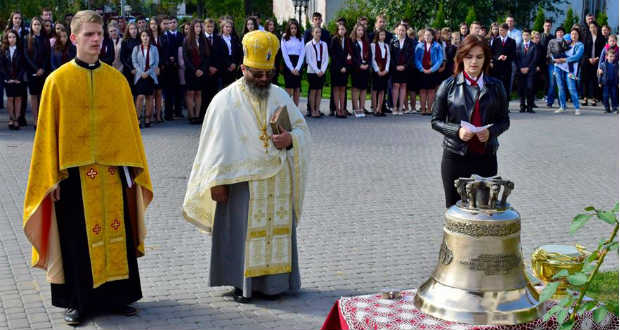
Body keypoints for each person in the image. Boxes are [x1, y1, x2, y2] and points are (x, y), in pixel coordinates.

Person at [22, 10, 153, 326]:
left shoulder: (116, 79)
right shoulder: (57, 81)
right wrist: (49, 178)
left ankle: (117, 297)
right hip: (74, 176)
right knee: (77, 240)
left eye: (100, 34)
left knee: (116, 236)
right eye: (90, 34)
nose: (96, 39)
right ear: (74, 38)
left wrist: (133, 169)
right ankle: (78, 302)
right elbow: (46, 135)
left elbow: (129, 130)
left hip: (112, 174)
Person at [183, 30, 310, 304]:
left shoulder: (279, 95)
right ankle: (242, 285)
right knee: (241, 234)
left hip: (276, 181)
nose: (264, 80)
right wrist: (216, 182)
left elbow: (302, 130)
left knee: (273, 234)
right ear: (243, 68)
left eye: (268, 74)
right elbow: (212, 147)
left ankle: (276, 284)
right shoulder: (224, 100)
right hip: (241, 183)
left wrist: (290, 139)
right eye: (257, 74)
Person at [431, 35, 510, 208]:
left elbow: (504, 120)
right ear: (461, 58)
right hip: (455, 157)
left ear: (486, 60)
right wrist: (457, 131)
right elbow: (435, 121)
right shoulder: (448, 85)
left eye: (479, 57)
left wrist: (491, 132)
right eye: (469, 56)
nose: (474, 61)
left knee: (485, 210)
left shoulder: (496, 86)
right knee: (454, 211)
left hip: (486, 157)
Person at [24, 16, 51, 129]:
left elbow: (47, 55)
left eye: (38, 24)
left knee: (42, 95)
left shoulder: (45, 39)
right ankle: (36, 120)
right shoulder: (27, 38)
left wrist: (42, 69)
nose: (36, 26)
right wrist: (36, 69)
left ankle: (42, 119)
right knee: (33, 96)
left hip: (43, 71)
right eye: (34, 24)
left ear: (41, 26)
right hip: (32, 71)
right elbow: (26, 56)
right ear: (31, 26)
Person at [182, 19, 209, 124]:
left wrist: (202, 70)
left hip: (201, 71)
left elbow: (207, 57)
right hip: (190, 71)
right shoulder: (187, 40)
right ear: (193, 28)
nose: (198, 29)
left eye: (200, 27)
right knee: (190, 93)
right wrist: (194, 70)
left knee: (198, 93)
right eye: (196, 27)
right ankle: (191, 115)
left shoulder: (204, 40)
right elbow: (185, 58)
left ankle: (197, 115)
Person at [553, 28, 584, 115]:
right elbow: (554, 51)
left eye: (575, 34)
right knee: (560, 87)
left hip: (571, 69)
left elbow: (577, 57)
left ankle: (577, 108)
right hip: (559, 67)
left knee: (571, 88)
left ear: (578, 36)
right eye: (572, 34)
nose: (573, 36)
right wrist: (555, 59)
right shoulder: (566, 42)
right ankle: (562, 106)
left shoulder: (580, 45)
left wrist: (564, 59)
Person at [132, 30, 159, 128]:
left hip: (150, 76)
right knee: (140, 97)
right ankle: (137, 118)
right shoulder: (136, 48)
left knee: (149, 97)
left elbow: (156, 63)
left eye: (147, 36)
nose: (145, 38)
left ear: (150, 37)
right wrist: (141, 72)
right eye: (143, 36)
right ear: (141, 37)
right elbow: (134, 62)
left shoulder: (154, 49)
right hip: (140, 76)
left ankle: (148, 118)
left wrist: (147, 73)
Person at [0, 29, 26, 130]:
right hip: (8, 79)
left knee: (18, 98)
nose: (12, 39)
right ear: (6, 38)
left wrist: (18, 78)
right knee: (10, 98)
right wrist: (7, 78)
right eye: (9, 37)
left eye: (14, 37)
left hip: (19, 79)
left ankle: (17, 119)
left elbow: (23, 65)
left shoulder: (21, 49)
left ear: (17, 38)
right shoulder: (3, 50)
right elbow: (1, 66)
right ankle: (11, 118)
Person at [415, 28, 443, 115]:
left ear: (433, 36)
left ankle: (429, 109)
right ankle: (423, 109)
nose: (427, 37)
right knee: (422, 90)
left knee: (431, 90)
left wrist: (432, 69)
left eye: (429, 35)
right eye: (426, 35)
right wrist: (422, 69)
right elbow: (416, 59)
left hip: (432, 72)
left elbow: (440, 59)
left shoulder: (437, 46)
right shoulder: (419, 46)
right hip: (422, 72)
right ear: (423, 36)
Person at [200, 18, 222, 122]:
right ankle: (204, 115)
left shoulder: (218, 39)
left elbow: (221, 54)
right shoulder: (201, 38)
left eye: (212, 26)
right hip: (205, 71)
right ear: (204, 27)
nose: (210, 28)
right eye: (208, 26)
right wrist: (208, 67)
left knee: (214, 94)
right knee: (205, 94)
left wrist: (216, 67)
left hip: (216, 71)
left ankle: (213, 116)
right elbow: (201, 56)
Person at [164, 16, 184, 120]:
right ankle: (168, 114)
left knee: (179, 90)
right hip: (168, 67)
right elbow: (163, 50)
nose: (172, 24)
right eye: (170, 22)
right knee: (168, 91)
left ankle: (178, 111)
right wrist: (169, 59)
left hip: (179, 67)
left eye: (174, 22)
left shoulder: (181, 35)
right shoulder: (164, 36)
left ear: (177, 23)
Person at [305, 27, 329, 118]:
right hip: (312, 70)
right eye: (316, 32)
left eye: (319, 32)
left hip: (321, 69)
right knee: (313, 90)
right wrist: (317, 70)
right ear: (312, 33)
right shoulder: (308, 45)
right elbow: (308, 60)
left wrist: (322, 70)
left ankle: (317, 109)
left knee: (319, 90)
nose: (318, 34)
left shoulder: (324, 44)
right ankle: (312, 110)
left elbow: (326, 59)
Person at [280, 19, 305, 106]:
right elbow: (284, 54)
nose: (293, 30)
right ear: (289, 29)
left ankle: (296, 110)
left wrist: (297, 68)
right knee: (289, 88)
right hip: (288, 64)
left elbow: (302, 53)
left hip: (298, 63)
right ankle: (287, 109)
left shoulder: (301, 37)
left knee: (297, 88)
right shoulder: (284, 37)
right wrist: (291, 68)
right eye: (291, 28)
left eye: (295, 28)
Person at [490, 23, 515, 105]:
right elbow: (492, 53)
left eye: (503, 30)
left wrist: (506, 57)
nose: (501, 32)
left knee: (506, 86)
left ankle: (505, 106)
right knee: (496, 86)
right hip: (497, 67)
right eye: (500, 30)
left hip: (507, 68)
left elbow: (514, 54)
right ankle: (497, 105)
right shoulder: (496, 41)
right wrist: (497, 57)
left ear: (507, 31)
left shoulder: (512, 41)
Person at [390, 24, 412, 115]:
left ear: (405, 31)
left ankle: (400, 108)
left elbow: (411, 56)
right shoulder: (393, 41)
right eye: (399, 30)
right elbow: (390, 55)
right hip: (395, 68)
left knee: (403, 86)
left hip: (405, 68)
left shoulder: (409, 42)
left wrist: (405, 66)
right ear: (396, 31)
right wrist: (395, 66)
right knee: (396, 86)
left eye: (403, 30)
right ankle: (394, 107)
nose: (401, 32)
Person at [582, 22, 605, 106]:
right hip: (586, 61)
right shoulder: (585, 37)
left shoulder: (601, 38)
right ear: (589, 28)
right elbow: (583, 50)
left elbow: (603, 50)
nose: (593, 29)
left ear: (597, 28)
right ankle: (585, 98)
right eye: (591, 27)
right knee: (585, 80)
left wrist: (597, 58)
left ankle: (594, 98)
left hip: (597, 61)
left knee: (595, 80)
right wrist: (589, 59)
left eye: (594, 27)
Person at [330, 23, 350, 118]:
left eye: (343, 29)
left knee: (343, 89)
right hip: (336, 68)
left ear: (345, 30)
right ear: (337, 30)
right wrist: (339, 67)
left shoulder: (348, 40)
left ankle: (342, 109)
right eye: (340, 29)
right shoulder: (334, 40)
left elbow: (349, 55)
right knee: (336, 88)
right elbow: (333, 55)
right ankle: (337, 110)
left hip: (345, 68)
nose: (341, 31)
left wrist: (345, 66)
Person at [350, 23, 370, 118]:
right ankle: (356, 108)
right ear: (355, 31)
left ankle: (362, 108)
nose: (361, 32)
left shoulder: (366, 42)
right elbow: (352, 56)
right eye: (359, 30)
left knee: (363, 88)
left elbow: (369, 55)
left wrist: (367, 65)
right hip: (356, 68)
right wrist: (359, 65)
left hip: (365, 68)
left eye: (362, 30)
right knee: (356, 88)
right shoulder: (352, 42)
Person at [515, 29, 537, 113]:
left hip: (530, 71)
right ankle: (522, 106)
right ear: (522, 36)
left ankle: (530, 106)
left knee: (529, 88)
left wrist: (528, 68)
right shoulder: (518, 46)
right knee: (521, 88)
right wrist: (520, 68)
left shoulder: (534, 46)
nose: (525, 37)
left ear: (530, 36)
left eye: (527, 35)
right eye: (524, 35)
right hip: (520, 70)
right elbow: (516, 58)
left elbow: (535, 59)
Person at [148, 17, 164, 123]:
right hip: (150, 67)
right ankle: (151, 115)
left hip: (161, 68)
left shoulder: (163, 37)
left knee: (159, 93)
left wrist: (160, 66)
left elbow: (165, 52)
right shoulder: (147, 37)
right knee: (151, 93)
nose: (153, 25)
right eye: (151, 24)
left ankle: (158, 115)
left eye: (155, 24)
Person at [370, 29, 390, 117]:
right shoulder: (373, 45)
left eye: (384, 35)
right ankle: (374, 109)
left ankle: (379, 108)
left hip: (384, 70)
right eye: (381, 35)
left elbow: (388, 58)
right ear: (377, 36)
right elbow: (373, 58)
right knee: (375, 90)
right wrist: (377, 70)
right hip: (376, 71)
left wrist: (386, 69)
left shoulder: (386, 45)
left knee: (382, 90)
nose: (383, 36)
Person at [220, 19, 242, 88]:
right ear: (222, 28)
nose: (228, 28)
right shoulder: (218, 39)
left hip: (233, 65)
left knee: (232, 86)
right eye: (226, 27)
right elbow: (220, 54)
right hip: (223, 66)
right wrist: (228, 64)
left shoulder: (234, 39)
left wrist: (235, 63)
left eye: (230, 27)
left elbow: (237, 53)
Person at [546, 27, 565, 107]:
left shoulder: (565, 42)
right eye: (558, 32)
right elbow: (549, 53)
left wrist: (561, 60)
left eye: (561, 32)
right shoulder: (552, 41)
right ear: (556, 33)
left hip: (563, 65)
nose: (560, 33)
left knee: (561, 83)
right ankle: (550, 101)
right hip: (552, 64)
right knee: (552, 83)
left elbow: (567, 53)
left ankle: (561, 103)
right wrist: (554, 60)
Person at [120, 22, 140, 95]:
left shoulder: (140, 40)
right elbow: (122, 58)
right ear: (128, 30)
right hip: (129, 70)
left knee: (139, 92)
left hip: (140, 69)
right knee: (130, 91)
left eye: (135, 28)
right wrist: (131, 69)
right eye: (131, 29)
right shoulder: (125, 42)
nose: (133, 30)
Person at [598, 48, 618, 113]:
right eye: (610, 56)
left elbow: (617, 75)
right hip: (605, 83)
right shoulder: (603, 65)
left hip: (613, 83)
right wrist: (599, 82)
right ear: (606, 56)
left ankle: (614, 108)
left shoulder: (616, 65)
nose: (612, 58)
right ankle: (607, 108)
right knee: (605, 96)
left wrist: (618, 82)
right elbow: (600, 74)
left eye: (613, 56)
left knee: (614, 95)